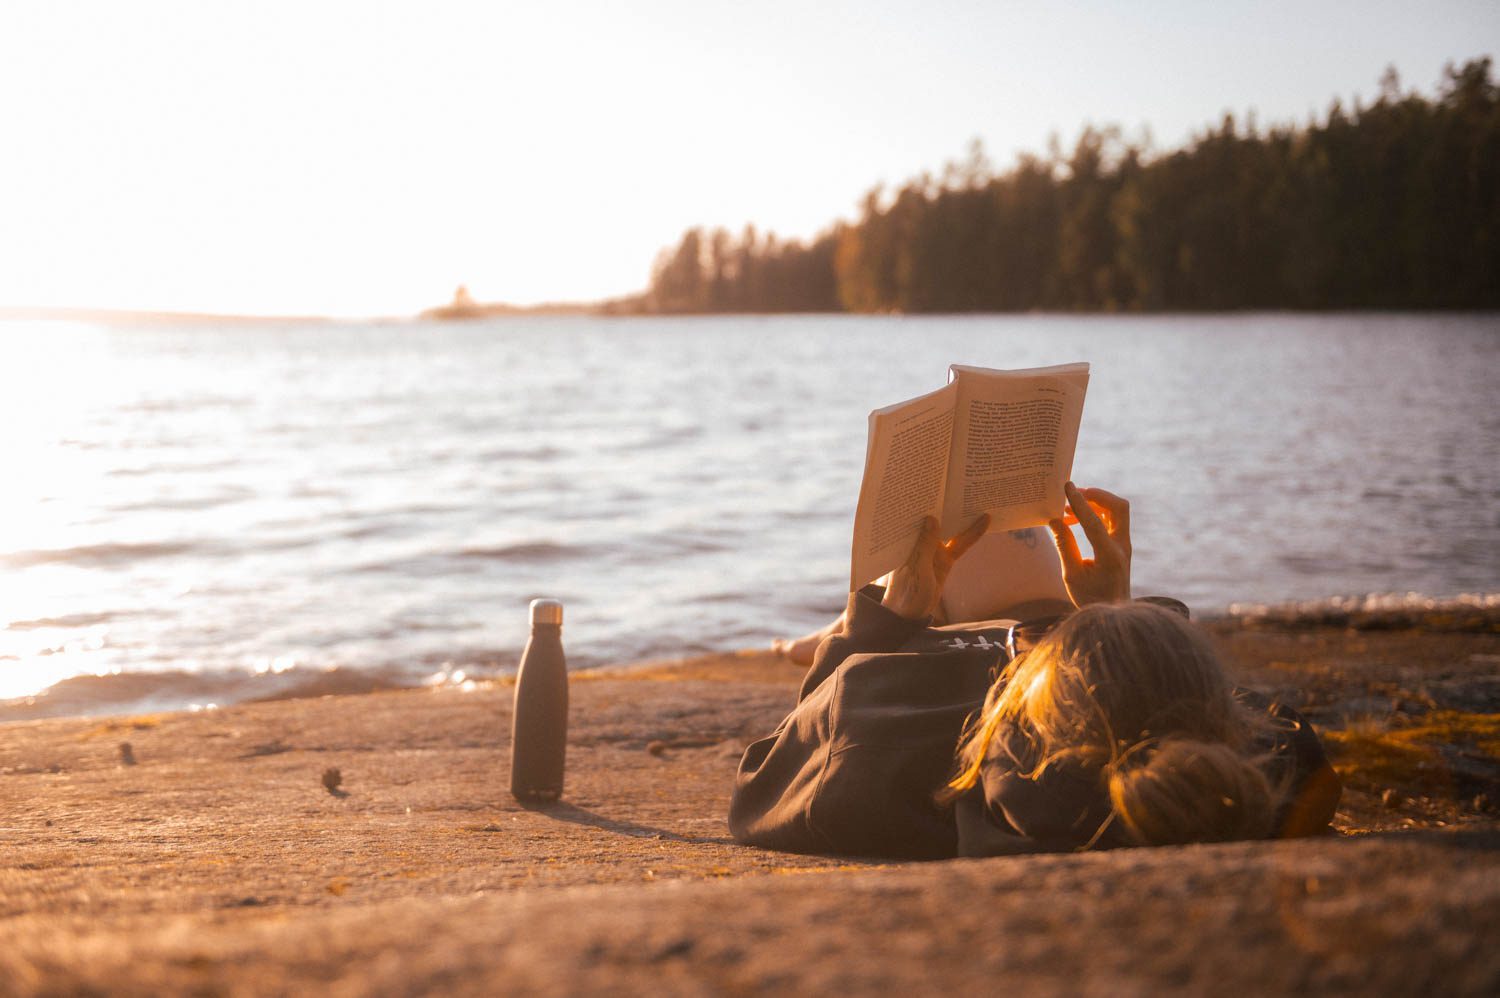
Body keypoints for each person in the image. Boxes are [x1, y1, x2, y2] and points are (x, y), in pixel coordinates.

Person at [731, 483, 1341, 859]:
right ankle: (1028, 613)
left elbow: (770, 773)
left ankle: (837, 631)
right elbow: (1216, 707)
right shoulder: (1264, 761)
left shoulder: (877, 718)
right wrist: (1115, 617)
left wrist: (884, 620)